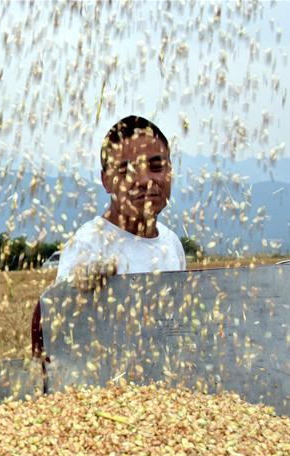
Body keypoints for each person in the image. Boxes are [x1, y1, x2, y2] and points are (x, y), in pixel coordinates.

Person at [32, 115, 186, 355]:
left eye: (156, 167)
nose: (145, 180)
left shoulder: (171, 243)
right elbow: (52, 330)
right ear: (106, 181)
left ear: (170, 171)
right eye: (127, 171)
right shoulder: (90, 245)